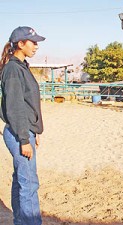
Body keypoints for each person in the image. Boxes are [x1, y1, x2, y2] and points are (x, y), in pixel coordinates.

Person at [0, 26, 45, 225]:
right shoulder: (12, 69)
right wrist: (24, 138)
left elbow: (28, 103)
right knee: (29, 182)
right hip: (20, 132)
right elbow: (15, 106)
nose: (36, 46)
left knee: (22, 179)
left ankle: (21, 221)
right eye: (32, 42)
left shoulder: (21, 66)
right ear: (20, 44)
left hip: (25, 130)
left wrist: (35, 130)